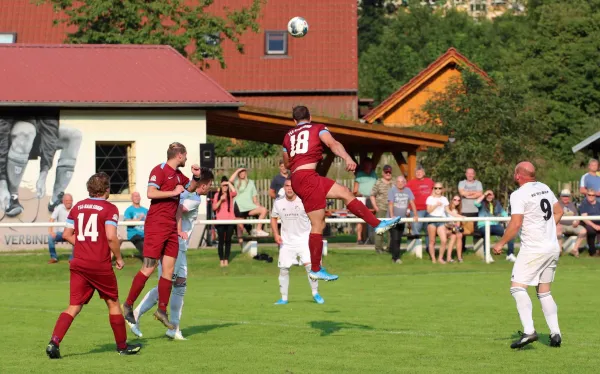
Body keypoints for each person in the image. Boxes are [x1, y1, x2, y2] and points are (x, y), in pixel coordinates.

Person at [282, 106, 401, 281]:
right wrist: (347, 157)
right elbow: (333, 143)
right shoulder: (317, 127)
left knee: (345, 192)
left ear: (294, 121)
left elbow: (287, 162)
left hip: (303, 177)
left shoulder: (288, 136)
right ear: (310, 117)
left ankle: (377, 224)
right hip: (308, 178)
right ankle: (315, 269)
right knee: (318, 225)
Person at [45, 172, 141, 359]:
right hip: (99, 264)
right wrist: (119, 258)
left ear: (89, 189)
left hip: (79, 263)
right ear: (107, 190)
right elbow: (111, 236)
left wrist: (84, 246)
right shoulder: (109, 208)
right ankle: (122, 346)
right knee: (112, 303)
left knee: (73, 306)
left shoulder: (78, 207)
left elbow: (66, 234)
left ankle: (54, 342)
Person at [122, 142, 209, 329]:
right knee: (149, 268)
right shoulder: (159, 170)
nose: (186, 159)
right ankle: (128, 305)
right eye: (185, 156)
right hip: (156, 225)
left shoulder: (179, 175)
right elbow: (150, 193)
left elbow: (191, 188)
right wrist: (173, 191)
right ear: (179, 155)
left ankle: (161, 310)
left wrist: (196, 176)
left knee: (169, 271)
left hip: (171, 227)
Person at [492, 161, 563, 349]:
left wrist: (500, 243)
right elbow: (559, 211)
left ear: (518, 176)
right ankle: (555, 334)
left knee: (517, 288)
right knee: (544, 291)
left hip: (534, 249)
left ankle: (529, 331)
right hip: (552, 247)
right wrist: (546, 229)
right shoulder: (544, 187)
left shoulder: (518, 194)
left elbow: (515, 224)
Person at [128, 182, 210, 341]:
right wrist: (179, 231)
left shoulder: (187, 195)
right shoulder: (193, 198)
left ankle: (174, 328)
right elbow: (178, 209)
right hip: (175, 245)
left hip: (180, 246)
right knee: (167, 286)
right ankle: (136, 315)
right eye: (209, 183)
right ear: (204, 185)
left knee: (179, 287)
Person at [271, 179, 323, 305]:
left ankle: (315, 293)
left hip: (304, 240)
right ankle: (283, 298)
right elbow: (273, 218)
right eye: (287, 186)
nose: (289, 188)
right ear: (284, 188)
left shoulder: (303, 201)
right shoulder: (278, 202)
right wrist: (276, 234)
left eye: (291, 186)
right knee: (283, 269)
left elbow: (316, 216)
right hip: (286, 242)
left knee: (311, 267)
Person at [474, 190, 516, 262]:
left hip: (495, 225)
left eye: (491, 195)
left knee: (510, 234)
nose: (489, 196)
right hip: (483, 225)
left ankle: (510, 254)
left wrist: (509, 221)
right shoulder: (482, 203)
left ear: (493, 196)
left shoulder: (497, 203)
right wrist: (485, 194)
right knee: (486, 234)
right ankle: (487, 255)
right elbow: (475, 203)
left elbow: (503, 213)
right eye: (488, 195)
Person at [426, 183, 463, 264]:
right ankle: (433, 259)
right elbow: (428, 211)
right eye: (436, 188)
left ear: (442, 189)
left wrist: (460, 216)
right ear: (433, 189)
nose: (437, 190)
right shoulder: (430, 198)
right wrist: (436, 205)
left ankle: (440, 258)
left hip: (441, 220)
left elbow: (448, 211)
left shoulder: (444, 199)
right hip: (432, 220)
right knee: (432, 241)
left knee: (444, 240)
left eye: (439, 188)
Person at [230, 166, 269, 239]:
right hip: (239, 207)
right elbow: (230, 180)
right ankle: (242, 249)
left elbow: (254, 198)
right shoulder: (237, 181)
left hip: (249, 207)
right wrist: (238, 170)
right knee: (240, 229)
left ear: (246, 173)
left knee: (264, 210)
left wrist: (258, 204)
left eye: (243, 171)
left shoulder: (251, 182)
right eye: (240, 172)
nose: (242, 173)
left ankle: (258, 229)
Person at [387, 176, 417, 264]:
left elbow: (412, 202)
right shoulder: (392, 190)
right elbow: (391, 203)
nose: (400, 183)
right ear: (396, 182)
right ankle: (396, 258)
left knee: (398, 238)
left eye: (402, 181)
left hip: (402, 219)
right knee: (395, 237)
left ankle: (393, 253)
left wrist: (415, 215)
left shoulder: (408, 191)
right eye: (398, 181)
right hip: (393, 219)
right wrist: (392, 215)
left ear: (405, 183)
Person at [213, 176, 237, 266]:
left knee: (228, 240)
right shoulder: (217, 195)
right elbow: (214, 207)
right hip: (220, 221)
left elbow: (235, 192)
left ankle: (226, 259)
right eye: (223, 185)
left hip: (230, 220)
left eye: (226, 186)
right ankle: (221, 259)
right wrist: (221, 200)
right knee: (221, 241)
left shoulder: (230, 195)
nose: (225, 187)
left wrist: (229, 183)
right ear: (220, 185)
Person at [353, 157, 378, 245]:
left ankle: (371, 238)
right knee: (360, 219)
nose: (368, 166)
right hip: (362, 199)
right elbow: (355, 190)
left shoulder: (374, 174)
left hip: (372, 199)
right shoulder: (359, 174)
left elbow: (377, 186)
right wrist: (360, 194)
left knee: (372, 218)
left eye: (369, 164)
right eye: (366, 164)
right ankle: (359, 238)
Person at [370, 164, 394, 254]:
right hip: (381, 208)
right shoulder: (378, 182)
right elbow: (372, 195)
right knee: (380, 229)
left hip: (391, 210)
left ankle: (389, 248)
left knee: (391, 230)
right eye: (386, 172)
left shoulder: (394, 182)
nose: (388, 173)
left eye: (389, 172)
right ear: (383, 173)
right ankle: (378, 248)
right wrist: (376, 207)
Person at [406, 165, 434, 239]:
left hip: (429, 209)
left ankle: (429, 248)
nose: (418, 173)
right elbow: (405, 194)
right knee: (416, 229)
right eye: (417, 172)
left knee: (429, 229)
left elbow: (435, 191)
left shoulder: (429, 181)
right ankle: (414, 248)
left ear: (424, 173)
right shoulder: (411, 183)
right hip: (417, 210)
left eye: (420, 172)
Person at [556, 189, 586, 257]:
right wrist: (557, 223)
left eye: (567, 196)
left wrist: (577, 222)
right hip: (561, 225)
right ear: (560, 197)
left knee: (583, 231)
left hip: (572, 225)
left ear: (569, 197)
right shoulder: (556, 205)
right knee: (557, 229)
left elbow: (577, 216)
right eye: (563, 196)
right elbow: (554, 217)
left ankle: (575, 250)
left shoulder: (573, 205)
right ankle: (559, 250)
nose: (565, 198)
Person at [458, 168, 484, 249]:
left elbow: (480, 194)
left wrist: (467, 194)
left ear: (474, 174)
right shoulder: (462, 183)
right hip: (464, 210)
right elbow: (462, 193)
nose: (470, 175)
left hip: (476, 209)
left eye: (471, 173)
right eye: (468, 173)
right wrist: (474, 193)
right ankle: (462, 249)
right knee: (463, 230)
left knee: (477, 231)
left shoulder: (478, 183)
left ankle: (478, 249)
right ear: (466, 174)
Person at [47, 193, 73, 263]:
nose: (68, 202)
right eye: (67, 200)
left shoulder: (75, 208)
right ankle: (54, 258)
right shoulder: (59, 207)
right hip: (61, 233)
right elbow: (51, 219)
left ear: (72, 201)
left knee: (78, 238)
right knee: (50, 237)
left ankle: (72, 259)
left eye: (70, 200)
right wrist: (51, 231)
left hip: (71, 233)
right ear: (63, 201)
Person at [123, 192, 148, 258]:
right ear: (131, 198)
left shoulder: (145, 210)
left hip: (145, 234)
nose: (137, 198)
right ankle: (147, 264)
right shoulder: (129, 210)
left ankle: (153, 263)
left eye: (138, 196)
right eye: (135, 196)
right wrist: (138, 219)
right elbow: (126, 221)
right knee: (143, 246)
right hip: (134, 234)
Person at [579, 188, 600, 257]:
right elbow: (585, 218)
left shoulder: (598, 204)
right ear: (586, 195)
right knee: (591, 231)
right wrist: (594, 226)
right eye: (589, 195)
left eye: (593, 195)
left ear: (595, 196)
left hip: (598, 223)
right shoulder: (584, 204)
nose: (591, 196)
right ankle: (592, 252)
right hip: (589, 223)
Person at [446, 195, 464, 263]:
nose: (456, 201)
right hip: (446, 227)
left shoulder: (457, 210)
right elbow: (446, 222)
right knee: (454, 236)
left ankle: (459, 257)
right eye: (455, 199)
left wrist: (456, 228)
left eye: (458, 200)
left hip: (453, 228)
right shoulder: (447, 208)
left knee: (459, 235)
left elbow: (458, 223)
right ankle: (449, 257)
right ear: (451, 200)